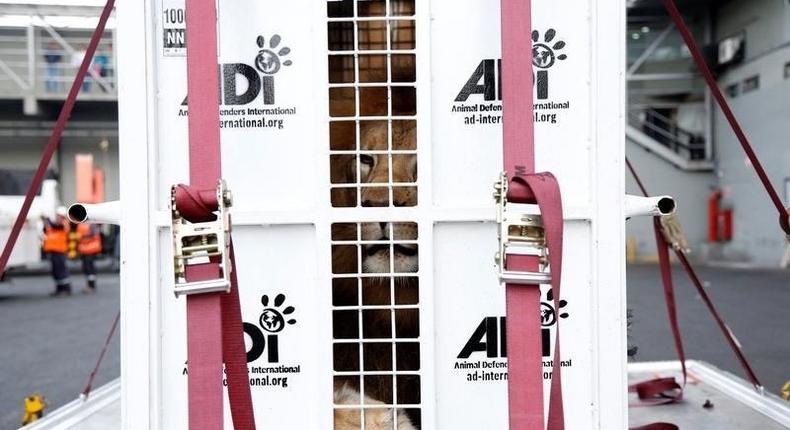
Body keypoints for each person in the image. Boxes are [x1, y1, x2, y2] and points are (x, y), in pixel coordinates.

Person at [42, 215, 71, 296]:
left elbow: (56, 226)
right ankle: (59, 289)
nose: (57, 218)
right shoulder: (53, 226)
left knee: (61, 270)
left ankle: (66, 289)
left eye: (59, 217)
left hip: (60, 252)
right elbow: (45, 230)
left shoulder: (64, 224)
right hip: (53, 252)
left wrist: (48, 219)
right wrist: (45, 222)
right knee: (56, 271)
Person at [76, 223, 102, 293]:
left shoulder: (91, 224)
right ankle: (89, 285)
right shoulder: (81, 223)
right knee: (86, 268)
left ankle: (91, 286)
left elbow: (93, 234)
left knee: (89, 268)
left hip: (90, 249)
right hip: (84, 249)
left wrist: (81, 237)